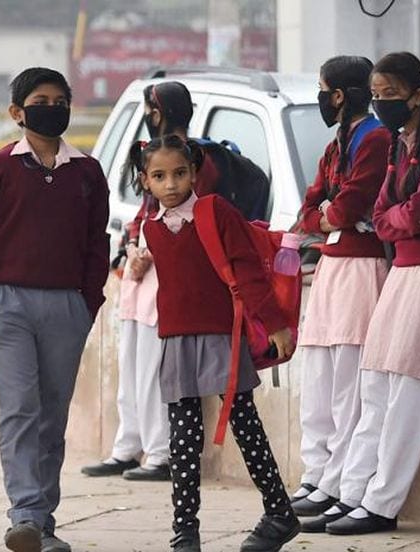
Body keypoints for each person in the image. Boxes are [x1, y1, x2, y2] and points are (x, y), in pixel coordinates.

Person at [320, 52, 420, 535]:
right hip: (404, 273)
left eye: (390, 95)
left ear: (418, 95)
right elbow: (386, 209)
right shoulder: (397, 140)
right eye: (375, 95)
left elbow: (419, 213)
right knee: (375, 385)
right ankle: (353, 494)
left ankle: (382, 503)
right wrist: (397, 219)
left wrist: (396, 220)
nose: (381, 104)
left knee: (410, 392)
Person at [0, 67, 110, 552]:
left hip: (67, 306)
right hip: (8, 305)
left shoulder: (87, 171)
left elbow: (96, 242)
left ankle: (43, 523)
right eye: (42, 99)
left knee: (52, 416)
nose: (54, 106)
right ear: (17, 112)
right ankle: (24, 514)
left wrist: (88, 301)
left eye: (61, 99)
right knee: (20, 408)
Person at [82, 81, 268, 481]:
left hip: (173, 280)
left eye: (153, 110)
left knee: (155, 369)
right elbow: (146, 213)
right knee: (131, 361)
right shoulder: (156, 158)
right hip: (141, 271)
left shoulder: (198, 160)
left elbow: (192, 215)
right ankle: (128, 444)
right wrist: (133, 248)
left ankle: (162, 452)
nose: (170, 181)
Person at [134, 134, 299, 552]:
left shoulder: (214, 211)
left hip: (223, 336)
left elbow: (248, 272)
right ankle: (185, 534)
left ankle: (279, 512)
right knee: (183, 437)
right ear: (145, 181)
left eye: (179, 173)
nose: (170, 184)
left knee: (246, 425)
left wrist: (275, 323)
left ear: (194, 173)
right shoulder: (151, 229)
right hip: (174, 339)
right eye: (159, 176)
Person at [290, 56, 391, 529]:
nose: (321, 97)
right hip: (332, 266)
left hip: (361, 266)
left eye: (324, 89)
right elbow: (312, 206)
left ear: (341, 95)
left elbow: (347, 207)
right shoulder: (337, 143)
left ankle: (340, 482)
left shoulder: (374, 139)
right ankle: (317, 474)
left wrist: (329, 212)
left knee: (349, 385)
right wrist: (327, 212)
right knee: (319, 378)